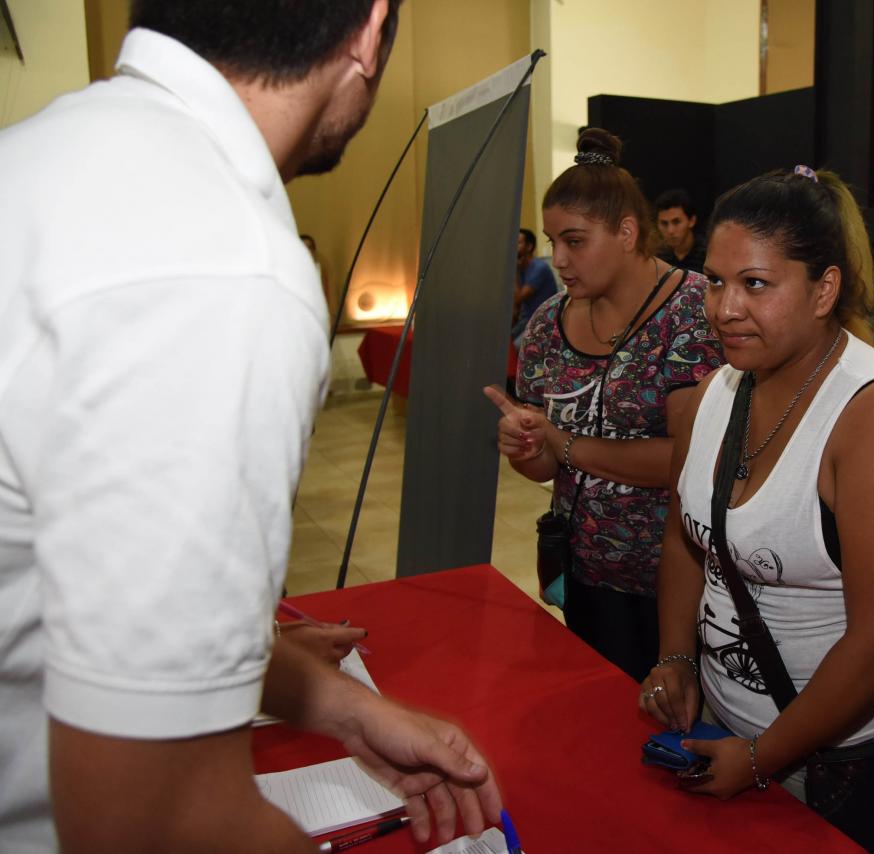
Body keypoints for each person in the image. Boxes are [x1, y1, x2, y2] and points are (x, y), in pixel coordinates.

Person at [0, 2, 502, 851]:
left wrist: (343, 708)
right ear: (371, 31)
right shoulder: (222, 260)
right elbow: (154, 819)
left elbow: (84, 594)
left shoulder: (44, 153)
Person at [641, 166, 874, 853]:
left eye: (754, 284)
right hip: (730, 727)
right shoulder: (713, 395)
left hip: (854, 757)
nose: (723, 308)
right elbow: (684, 539)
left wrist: (762, 757)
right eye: (715, 281)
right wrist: (677, 656)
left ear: (825, 289)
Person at [484, 129, 723, 682]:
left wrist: (563, 442)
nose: (559, 260)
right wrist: (525, 444)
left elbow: (688, 462)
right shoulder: (547, 324)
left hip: (681, 584)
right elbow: (545, 467)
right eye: (552, 242)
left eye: (574, 241)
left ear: (626, 232)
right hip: (584, 574)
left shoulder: (692, 312)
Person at [511, 227, 559, 341]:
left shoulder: (539, 268)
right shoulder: (522, 267)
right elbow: (516, 305)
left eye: (518, 243)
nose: (514, 247)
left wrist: (515, 270)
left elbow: (518, 298)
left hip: (544, 321)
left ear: (529, 246)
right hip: (527, 318)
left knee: (518, 346)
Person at [655, 188, 707, 274]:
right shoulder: (657, 257)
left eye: (676, 222)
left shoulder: (708, 254)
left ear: (692, 221)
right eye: (664, 223)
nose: (670, 230)